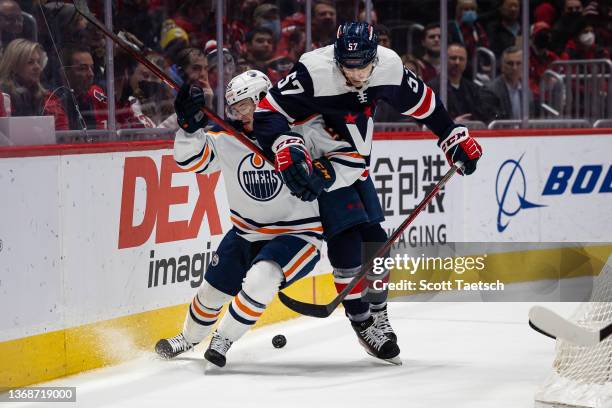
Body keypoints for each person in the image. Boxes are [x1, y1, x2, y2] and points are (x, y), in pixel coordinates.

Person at [255, 22, 482, 362]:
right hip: (321, 161)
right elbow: (267, 113)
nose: (357, 74)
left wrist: (452, 136)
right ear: (337, 57)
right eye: (349, 66)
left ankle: (378, 312)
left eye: (363, 65)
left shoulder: (389, 66)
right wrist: (284, 145)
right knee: (347, 236)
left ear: (374, 58)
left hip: (354, 162)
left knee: (376, 239)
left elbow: (426, 104)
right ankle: (361, 321)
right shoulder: (314, 71)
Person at [154, 70, 327, 367]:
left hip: (299, 235)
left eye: (244, 106)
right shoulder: (226, 136)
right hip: (246, 232)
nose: (239, 114)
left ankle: (224, 338)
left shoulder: (300, 132)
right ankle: (189, 338)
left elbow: (337, 165)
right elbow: (190, 161)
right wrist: (188, 128)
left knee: (263, 277)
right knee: (211, 292)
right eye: (234, 108)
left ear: (263, 101)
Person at [0, 39, 68, 130]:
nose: (37, 67)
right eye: (30, 62)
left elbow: (63, 134)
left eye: (38, 62)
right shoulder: (3, 98)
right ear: (14, 66)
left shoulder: (48, 99)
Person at [428, 43, 491, 123]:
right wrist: (453, 122)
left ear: (466, 62)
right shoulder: (431, 88)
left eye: (461, 59)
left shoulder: (473, 89)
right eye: (453, 58)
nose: (457, 62)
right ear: (444, 60)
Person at [481, 46, 534, 120]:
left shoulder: (527, 91)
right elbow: (493, 120)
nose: (514, 68)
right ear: (502, 66)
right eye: (510, 63)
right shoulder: (490, 91)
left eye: (518, 63)